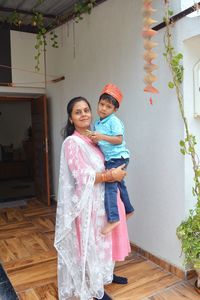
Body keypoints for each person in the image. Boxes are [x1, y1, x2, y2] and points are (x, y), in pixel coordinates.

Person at [54, 97, 131, 300]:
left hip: (102, 200)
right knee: (91, 245)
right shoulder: (73, 142)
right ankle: (94, 287)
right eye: (78, 112)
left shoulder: (93, 138)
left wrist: (118, 173)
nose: (84, 114)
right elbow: (82, 176)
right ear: (71, 119)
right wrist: (110, 176)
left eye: (86, 110)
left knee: (105, 241)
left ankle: (106, 274)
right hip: (87, 204)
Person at [87, 84, 134, 235]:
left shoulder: (113, 121)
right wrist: (95, 139)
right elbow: (102, 142)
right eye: (101, 104)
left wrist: (100, 136)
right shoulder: (98, 123)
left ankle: (113, 218)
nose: (103, 108)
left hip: (118, 157)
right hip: (111, 158)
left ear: (115, 110)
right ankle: (128, 209)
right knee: (120, 186)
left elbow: (119, 140)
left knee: (110, 187)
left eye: (108, 106)